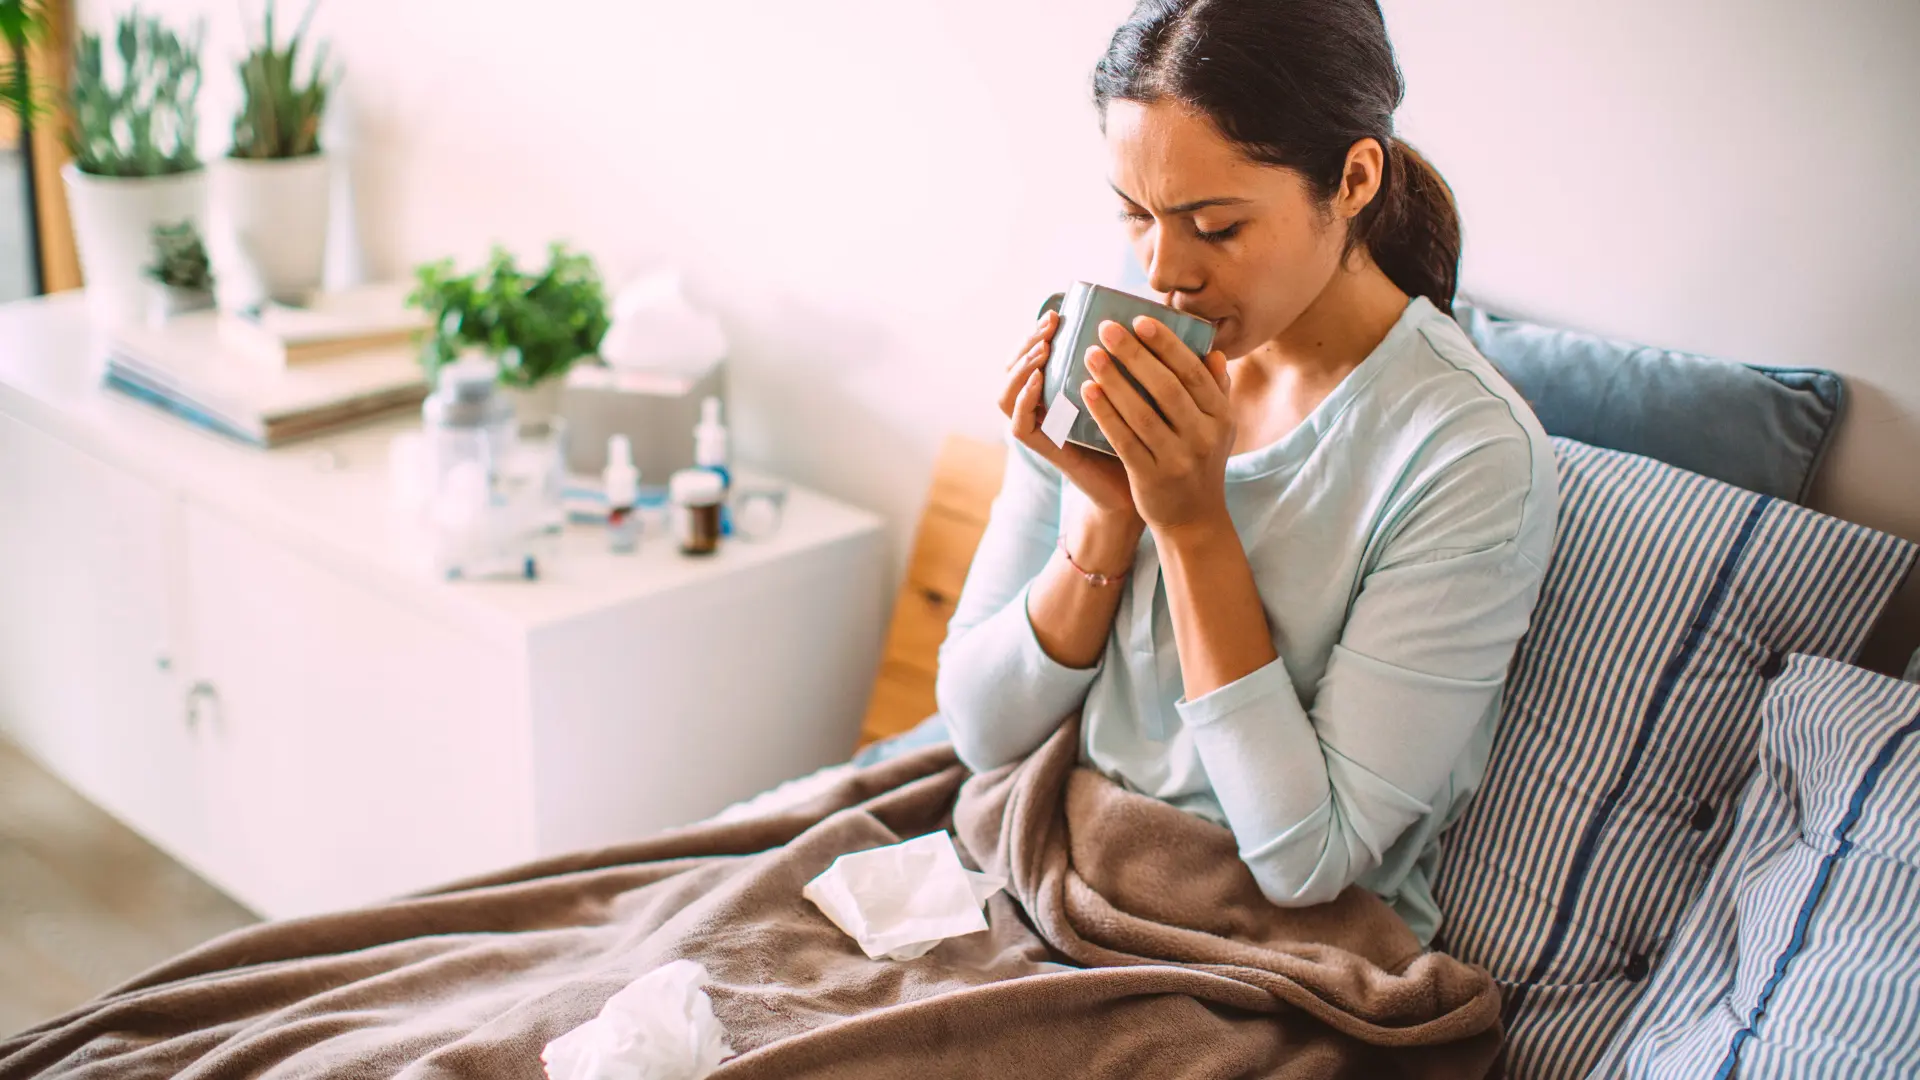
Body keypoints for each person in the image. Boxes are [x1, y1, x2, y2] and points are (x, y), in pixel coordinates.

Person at [934, 0, 1558, 947]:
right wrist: (1104, 522)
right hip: (1044, 853)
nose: (1165, 269)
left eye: (1215, 226)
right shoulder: (1120, 332)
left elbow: (1306, 859)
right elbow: (980, 732)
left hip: (1251, 949)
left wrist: (1190, 528)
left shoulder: (1464, 455)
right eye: (1136, 212)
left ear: (1352, 179)